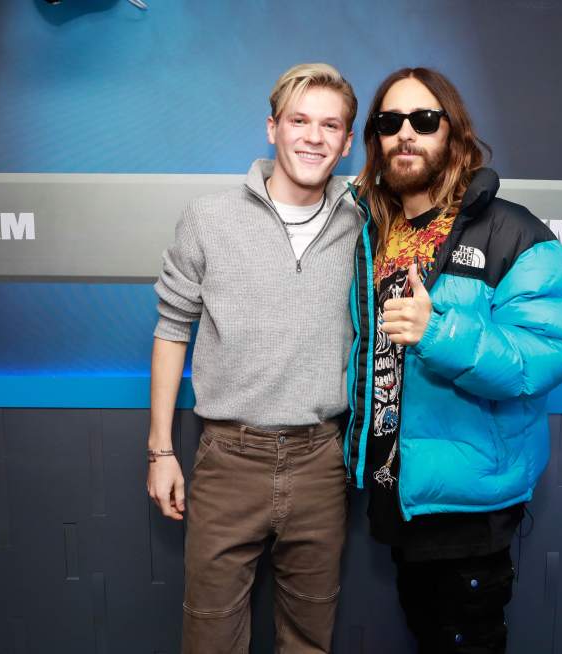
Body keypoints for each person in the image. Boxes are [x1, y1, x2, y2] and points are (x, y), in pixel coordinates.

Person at [345, 67, 562, 653]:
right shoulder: (373, 230)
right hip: (397, 493)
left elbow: (551, 353)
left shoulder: (514, 231)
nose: (406, 134)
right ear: (375, 140)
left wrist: (438, 332)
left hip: (470, 509)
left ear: (453, 133)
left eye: (424, 120)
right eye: (389, 122)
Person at [147, 63, 360, 653]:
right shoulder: (209, 219)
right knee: (210, 636)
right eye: (299, 120)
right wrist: (161, 450)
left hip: (322, 460)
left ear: (346, 141)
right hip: (227, 460)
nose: (313, 137)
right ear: (272, 129)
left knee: (309, 638)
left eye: (330, 125)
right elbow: (171, 330)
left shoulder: (365, 223)